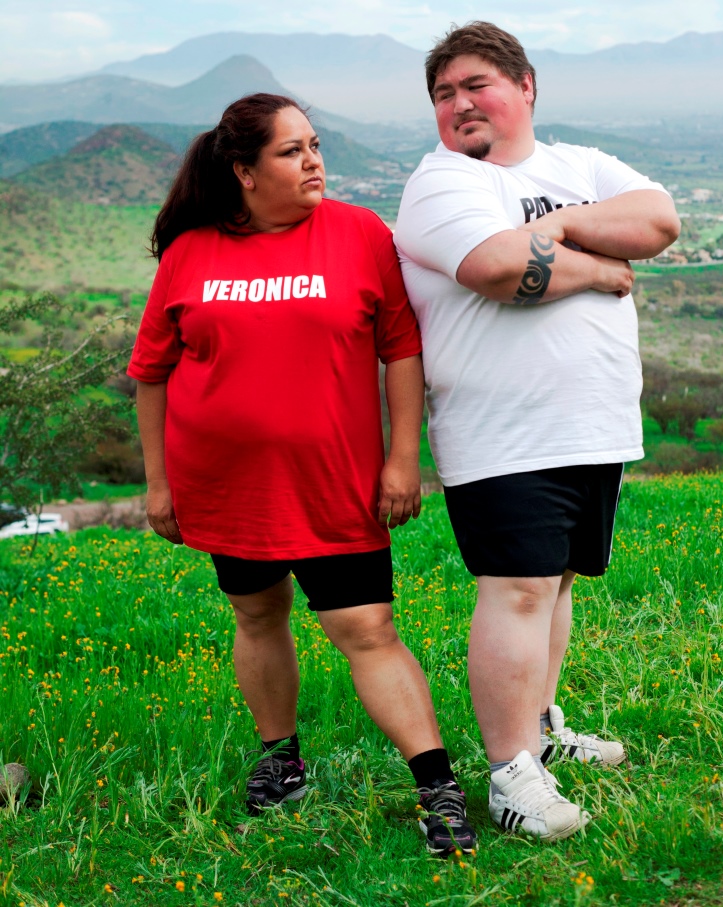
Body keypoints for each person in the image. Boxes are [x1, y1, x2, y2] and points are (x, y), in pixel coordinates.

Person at [127, 93, 476, 857]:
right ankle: (280, 760)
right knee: (257, 614)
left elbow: (400, 347)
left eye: (314, 144)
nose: (314, 160)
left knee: (367, 628)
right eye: (292, 151)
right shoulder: (191, 251)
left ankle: (437, 786)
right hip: (226, 483)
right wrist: (159, 483)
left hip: (334, 482)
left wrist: (403, 457)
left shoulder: (358, 232)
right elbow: (151, 370)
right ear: (244, 171)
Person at [394, 23, 680, 841]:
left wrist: (558, 224)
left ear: (525, 86)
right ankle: (512, 773)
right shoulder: (442, 182)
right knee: (517, 589)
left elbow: (659, 220)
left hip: (591, 424)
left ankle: (542, 728)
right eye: (443, 93)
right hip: (504, 431)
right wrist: (598, 265)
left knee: (556, 584)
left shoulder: (577, 165)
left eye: (475, 84)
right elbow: (496, 268)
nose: (459, 103)